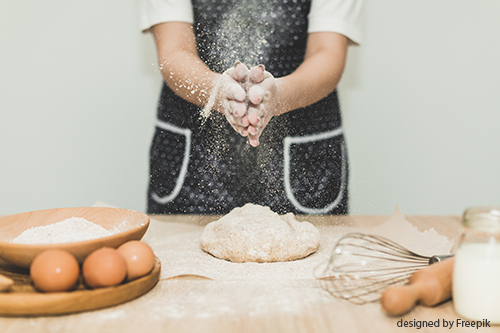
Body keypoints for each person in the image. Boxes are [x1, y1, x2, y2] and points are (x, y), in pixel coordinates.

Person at [138, 0, 363, 215]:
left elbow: (327, 52)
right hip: (193, 159)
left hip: (301, 158)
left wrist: (279, 95)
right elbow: (175, 51)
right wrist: (216, 91)